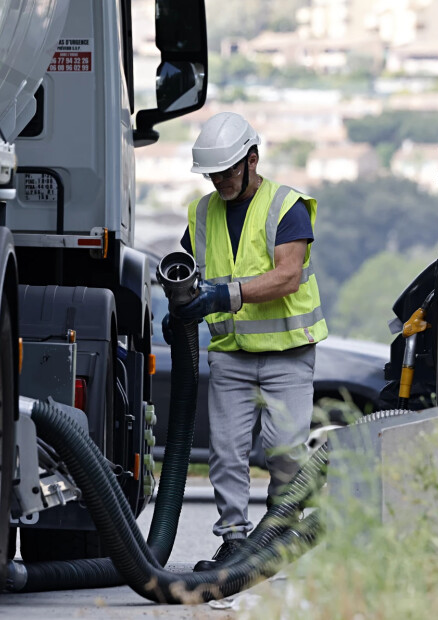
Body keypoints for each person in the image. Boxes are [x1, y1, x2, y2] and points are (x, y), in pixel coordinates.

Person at [164, 111, 327, 571]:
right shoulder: (202, 213)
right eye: (213, 174)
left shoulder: (287, 206)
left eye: (228, 171)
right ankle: (234, 540)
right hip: (232, 355)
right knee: (227, 453)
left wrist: (224, 295)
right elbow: (188, 272)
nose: (220, 181)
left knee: (285, 450)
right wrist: (178, 310)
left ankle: (277, 531)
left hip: (287, 353)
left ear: (252, 159)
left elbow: (288, 276)